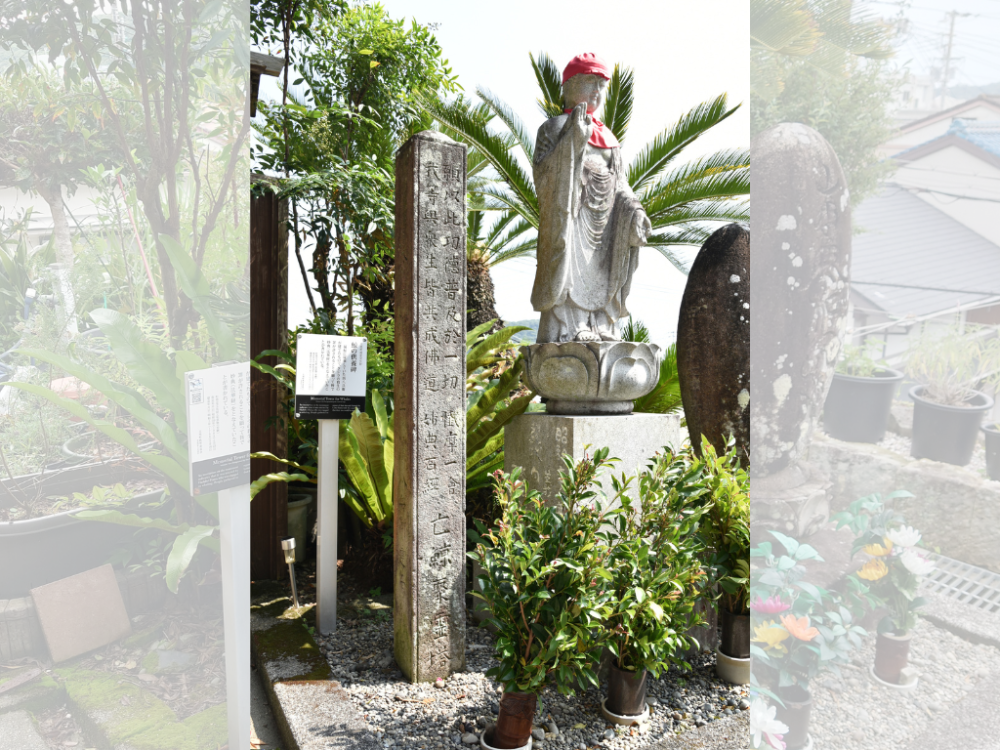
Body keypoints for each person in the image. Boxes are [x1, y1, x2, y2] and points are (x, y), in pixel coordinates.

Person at [531, 52, 652, 344]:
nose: (596, 92)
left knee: (603, 270)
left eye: (600, 86)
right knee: (569, 266)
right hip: (571, 218)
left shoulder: (610, 140)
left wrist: (634, 211)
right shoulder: (554, 128)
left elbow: (620, 183)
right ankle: (571, 325)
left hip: (606, 225)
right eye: (589, 83)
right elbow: (543, 177)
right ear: (569, 87)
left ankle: (601, 324)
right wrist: (572, 141)